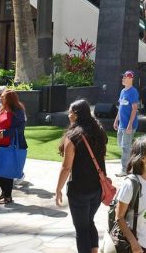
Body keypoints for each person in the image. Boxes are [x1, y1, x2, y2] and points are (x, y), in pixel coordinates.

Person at [56, 100, 108, 253]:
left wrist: (58, 188)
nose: (69, 114)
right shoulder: (99, 131)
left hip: (79, 189)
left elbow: (66, 167)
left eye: (70, 112)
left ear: (76, 115)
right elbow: (102, 158)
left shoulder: (73, 136)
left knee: (81, 228)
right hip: (97, 188)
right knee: (88, 222)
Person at [0, 89, 27, 205]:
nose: (0, 98)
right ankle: (4, 191)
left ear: (10, 99)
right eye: (0, 96)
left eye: (3, 97)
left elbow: (20, 129)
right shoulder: (1, 108)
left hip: (10, 145)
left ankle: (8, 196)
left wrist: (5, 132)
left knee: (6, 171)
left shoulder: (18, 111)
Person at [115, 70, 140, 172]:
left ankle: (125, 169)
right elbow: (120, 107)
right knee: (121, 145)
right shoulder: (122, 91)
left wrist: (130, 124)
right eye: (123, 77)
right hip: (121, 125)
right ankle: (134, 161)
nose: (123, 79)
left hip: (129, 125)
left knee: (125, 147)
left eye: (125, 77)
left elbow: (134, 109)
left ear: (130, 79)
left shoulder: (133, 92)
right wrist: (116, 120)